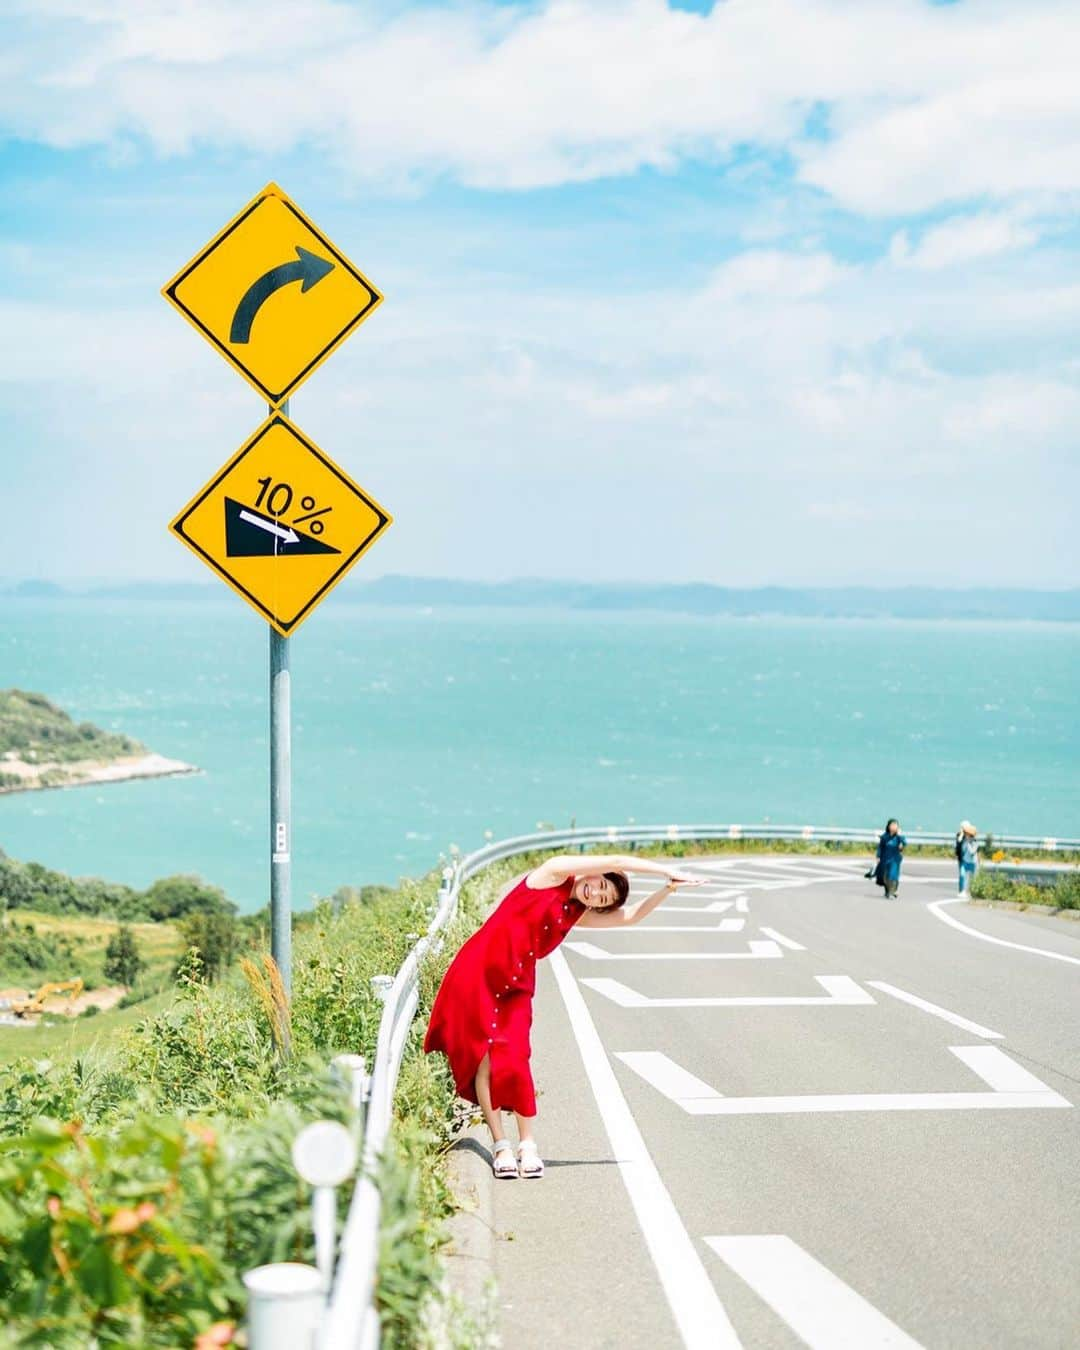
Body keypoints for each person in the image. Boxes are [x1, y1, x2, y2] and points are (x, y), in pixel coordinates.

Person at [424, 853, 704, 1179]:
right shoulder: (551, 875)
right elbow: (616, 857)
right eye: (600, 884)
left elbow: (629, 918)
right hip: (479, 975)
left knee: (515, 1058)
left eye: (603, 898)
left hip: (516, 986)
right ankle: (501, 1144)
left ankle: (527, 1144)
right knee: (482, 1058)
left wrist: (667, 889)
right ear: (595, 872)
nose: (596, 893)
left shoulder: (575, 914)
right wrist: (664, 868)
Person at [874, 818, 906, 898]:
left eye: (896, 825)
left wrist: (899, 837)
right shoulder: (885, 837)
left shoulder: (899, 837)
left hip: (895, 859)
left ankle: (892, 892)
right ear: (888, 826)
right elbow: (880, 847)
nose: (894, 827)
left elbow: (903, 845)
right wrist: (878, 856)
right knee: (885, 876)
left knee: (893, 875)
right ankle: (888, 891)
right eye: (892, 825)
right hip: (885, 858)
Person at [955, 821, 979, 894]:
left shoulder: (974, 842)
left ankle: (972, 892)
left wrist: (968, 843)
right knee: (962, 876)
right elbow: (958, 844)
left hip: (972, 862)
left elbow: (972, 852)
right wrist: (962, 835)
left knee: (972, 878)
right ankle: (962, 891)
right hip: (963, 860)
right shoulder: (961, 837)